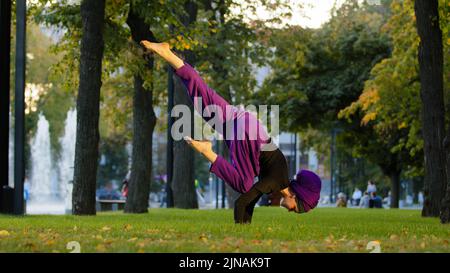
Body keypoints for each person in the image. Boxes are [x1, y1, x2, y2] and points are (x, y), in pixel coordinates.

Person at [140, 41, 322, 223]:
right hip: (249, 136)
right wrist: (240, 235)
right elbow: (242, 202)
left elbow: (250, 201)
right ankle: (207, 151)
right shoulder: (276, 181)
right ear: (294, 197)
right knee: (244, 184)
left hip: (245, 122)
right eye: (295, 209)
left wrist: (247, 223)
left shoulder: (277, 178)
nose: (290, 211)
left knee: (202, 97)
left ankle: (167, 53)